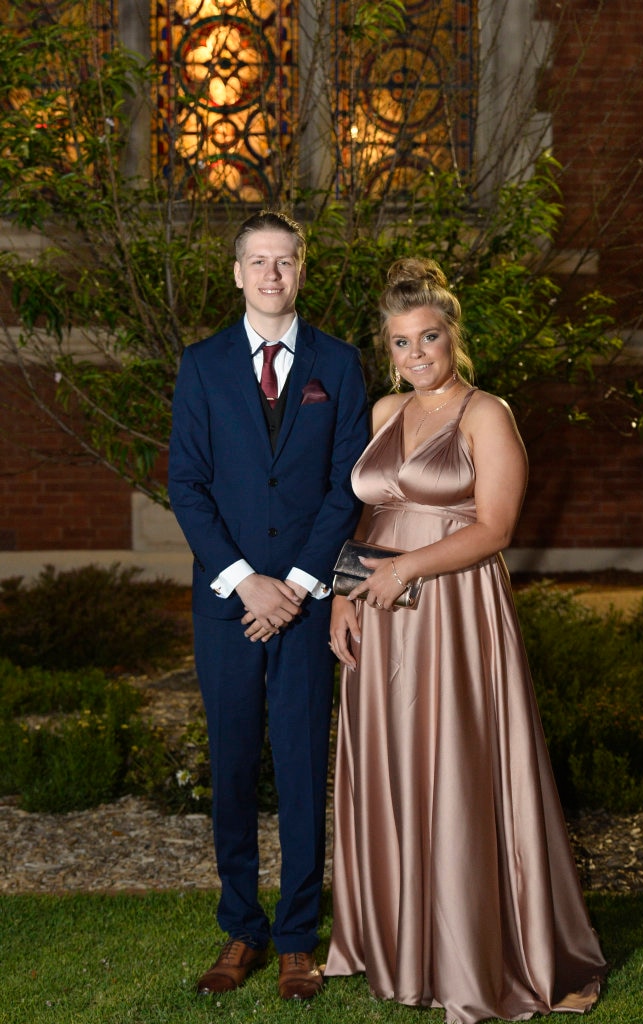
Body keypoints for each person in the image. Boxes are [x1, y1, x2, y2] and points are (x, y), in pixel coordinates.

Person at [325, 258, 606, 1023]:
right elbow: (363, 520)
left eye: (428, 338)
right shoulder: (383, 413)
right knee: (394, 770)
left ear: (454, 337)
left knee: (457, 768)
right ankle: (396, 946)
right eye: (400, 343)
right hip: (379, 616)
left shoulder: (487, 413)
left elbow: (496, 528)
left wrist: (409, 567)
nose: (416, 355)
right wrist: (342, 602)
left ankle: (473, 955)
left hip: (453, 612)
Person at [167, 210, 368, 1001]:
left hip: (307, 604)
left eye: (285, 261)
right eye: (258, 261)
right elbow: (188, 483)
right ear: (238, 272)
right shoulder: (203, 364)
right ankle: (241, 929)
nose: (272, 274)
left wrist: (298, 585)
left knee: (301, 769)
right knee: (235, 768)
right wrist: (246, 580)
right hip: (230, 607)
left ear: (302, 270)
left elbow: (345, 483)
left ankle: (295, 938)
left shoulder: (340, 364)